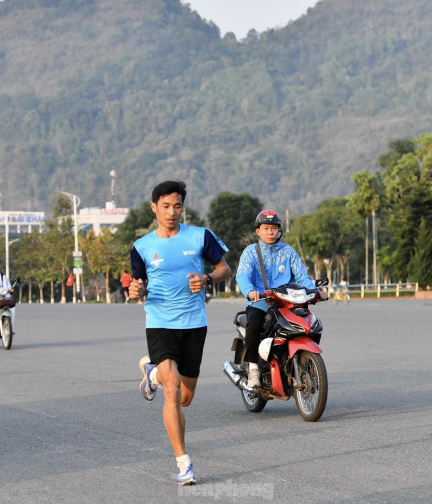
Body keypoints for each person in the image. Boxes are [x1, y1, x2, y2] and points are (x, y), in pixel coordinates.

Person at [129, 180, 231, 486]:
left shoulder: (200, 236)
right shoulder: (142, 246)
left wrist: (208, 277)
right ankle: (183, 463)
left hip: (194, 323)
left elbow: (225, 267)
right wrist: (136, 288)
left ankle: (153, 374)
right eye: (165, 206)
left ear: (182, 208)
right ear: (154, 208)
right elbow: (138, 283)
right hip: (159, 322)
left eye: (177, 206)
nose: (172, 212)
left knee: (185, 398)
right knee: (172, 390)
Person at [235, 209, 314, 389]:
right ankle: (254, 367)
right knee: (254, 323)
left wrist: (315, 290)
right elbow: (242, 276)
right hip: (260, 301)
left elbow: (302, 276)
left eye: (274, 228)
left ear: (279, 230)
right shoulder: (250, 252)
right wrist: (250, 291)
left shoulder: (288, 252)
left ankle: (302, 360)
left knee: (307, 323)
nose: (270, 232)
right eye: (266, 228)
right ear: (258, 231)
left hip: (286, 302)